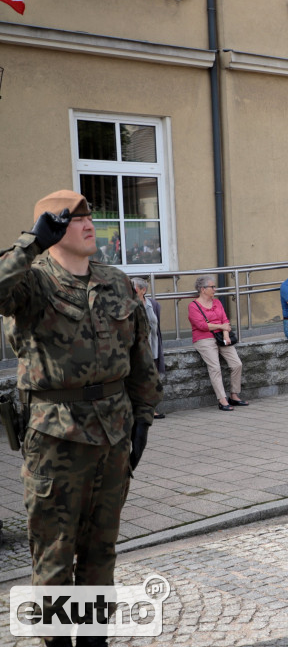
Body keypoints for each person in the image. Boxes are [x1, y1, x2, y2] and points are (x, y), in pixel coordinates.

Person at [0, 190, 162, 647]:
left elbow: (140, 356)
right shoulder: (32, 281)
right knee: (54, 554)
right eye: (74, 219)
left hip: (113, 433)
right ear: (51, 229)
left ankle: (94, 641)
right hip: (55, 437)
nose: (90, 224)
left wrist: (144, 415)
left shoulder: (115, 281)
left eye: (92, 217)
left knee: (100, 551)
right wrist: (30, 244)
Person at [188, 276, 247, 411]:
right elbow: (202, 325)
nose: (215, 289)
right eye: (212, 287)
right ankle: (222, 399)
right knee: (215, 367)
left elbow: (225, 320)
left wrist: (226, 334)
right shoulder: (193, 306)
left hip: (221, 336)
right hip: (203, 338)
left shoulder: (217, 303)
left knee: (237, 364)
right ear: (203, 289)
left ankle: (234, 395)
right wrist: (222, 327)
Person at [132, 277, 165, 419]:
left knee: (152, 379)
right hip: (136, 350)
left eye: (134, 288)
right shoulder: (128, 305)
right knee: (138, 380)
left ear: (143, 290)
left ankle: (151, 409)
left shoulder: (153, 305)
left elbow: (156, 328)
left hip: (153, 348)